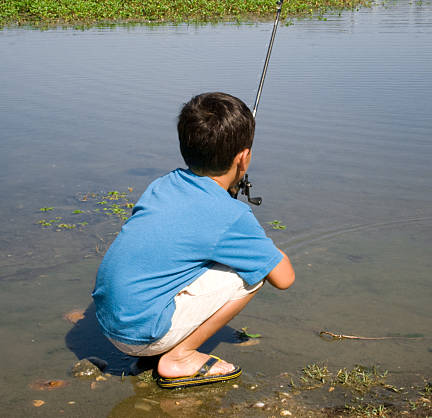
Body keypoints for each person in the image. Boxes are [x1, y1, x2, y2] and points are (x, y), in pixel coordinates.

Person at [92, 92, 295, 389]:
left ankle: (160, 344)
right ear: (244, 158)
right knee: (253, 275)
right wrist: (253, 241)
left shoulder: (163, 184)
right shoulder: (230, 215)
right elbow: (284, 277)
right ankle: (179, 357)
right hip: (137, 335)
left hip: (108, 322)